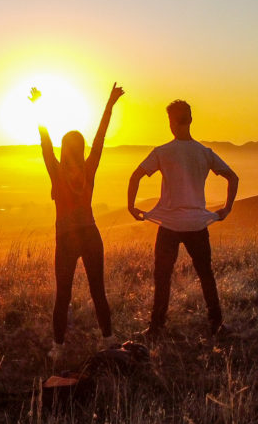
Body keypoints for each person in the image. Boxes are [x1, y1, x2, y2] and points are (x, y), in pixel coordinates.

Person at [126, 100, 239, 338]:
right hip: (198, 224)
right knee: (205, 274)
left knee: (163, 276)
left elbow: (136, 176)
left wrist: (131, 206)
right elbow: (233, 177)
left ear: (172, 122)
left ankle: (156, 327)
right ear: (190, 119)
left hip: (169, 225)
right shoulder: (204, 153)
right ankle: (216, 324)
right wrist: (226, 208)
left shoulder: (162, 152)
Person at [33, 83, 125, 362]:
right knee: (98, 290)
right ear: (81, 148)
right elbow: (101, 137)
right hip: (90, 234)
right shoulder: (89, 167)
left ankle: (58, 348)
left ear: (65, 149)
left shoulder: (57, 171)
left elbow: (45, 142)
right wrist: (109, 105)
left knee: (63, 295)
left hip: (67, 238)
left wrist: (38, 107)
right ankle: (109, 340)